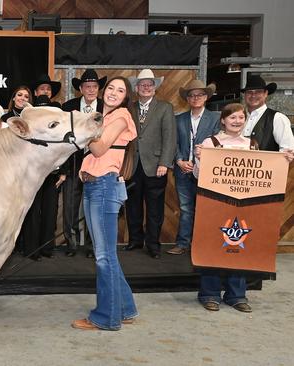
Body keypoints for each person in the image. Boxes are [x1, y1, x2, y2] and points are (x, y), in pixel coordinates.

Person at [193, 103, 280, 313]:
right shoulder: (210, 142)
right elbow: (198, 175)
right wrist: (199, 159)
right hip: (214, 203)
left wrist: (282, 159)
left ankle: (236, 295)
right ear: (223, 120)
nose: (237, 121)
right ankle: (209, 293)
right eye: (232, 117)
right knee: (213, 245)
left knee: (240, 246)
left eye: (241, 117)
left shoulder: (252, 144)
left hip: (244, 205)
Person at [71, 76, 138, 330]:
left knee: (103, 256)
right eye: (111, 88)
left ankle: (106, 317)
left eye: (120, 90)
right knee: (106, 254)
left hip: (103, 186)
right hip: (93, 185)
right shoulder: (104, 116)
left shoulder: (121, 117)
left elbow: (98, 149)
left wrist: (82, 129)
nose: (113, 92)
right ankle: (125, 308)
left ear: (125, 97)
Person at [124, 69, 176, 259]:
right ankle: (135, 241)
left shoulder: (165, 107)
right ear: (136, 88)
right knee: (133, 206)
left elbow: (170, 138)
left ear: (155, 88)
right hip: (133, 165)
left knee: (155, 209)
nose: (146, 87)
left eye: (150, 84)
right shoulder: (130, 108)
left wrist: (165, 163)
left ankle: (153, 244)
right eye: (142, 84)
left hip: (156, 166)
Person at [167, 80, 219, 256]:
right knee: (186, 209)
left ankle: (203, 244)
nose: (195, 98)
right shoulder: (178, 119)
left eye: (199, 94)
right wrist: (179, 161)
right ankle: (183, 243)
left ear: (206, 97)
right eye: (191, 95)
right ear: (187, 99)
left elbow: (220, 144)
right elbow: (172, 143)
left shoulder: (216, 118)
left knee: (206, 209)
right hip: (183, 171)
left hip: (206, 173)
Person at [61, 69, 107, 257]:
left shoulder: (106, 107)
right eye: (87, 86)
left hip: (98, 162)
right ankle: (71, 243)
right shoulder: (68, 107)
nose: (91, 90)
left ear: (98, 89)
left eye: (94, 86)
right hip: (73, 163)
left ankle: (90, 245)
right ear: (80, 88)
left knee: (94, 205)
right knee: (70, 205)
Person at [18, 80, 65, 261]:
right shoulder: (30, 124)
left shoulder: (56, 124)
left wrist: (63, 171)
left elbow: (64, 146)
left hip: (52, 173)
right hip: (32, 172)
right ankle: (31, 249)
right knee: (32, 211)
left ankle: (47, 248)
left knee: (50, 211)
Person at [241, 75, 294, 154]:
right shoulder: (238, 117)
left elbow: (288, 150)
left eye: (258, 92)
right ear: (245, 95)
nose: (253, 95)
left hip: (268, 166)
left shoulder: (277, 118)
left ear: (266, 94)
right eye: (249, 92)